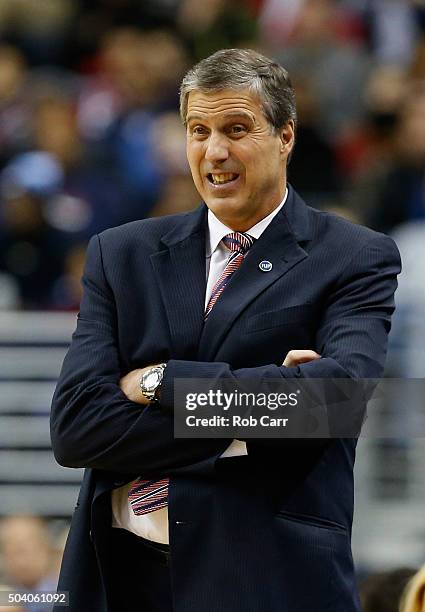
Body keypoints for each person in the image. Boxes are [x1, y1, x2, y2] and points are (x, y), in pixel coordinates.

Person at [50, 48, 401, 612]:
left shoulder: (354, 255)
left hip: (266, 580)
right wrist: (255, 415)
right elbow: (75, 427)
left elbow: (329, 404)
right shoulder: (121, 253)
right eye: (198, 130)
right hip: (121, 581)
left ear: (285, 136)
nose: (215, 151)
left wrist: (161, 383)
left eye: (237, 129)